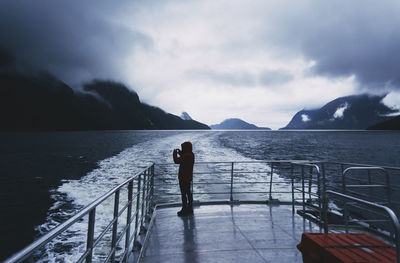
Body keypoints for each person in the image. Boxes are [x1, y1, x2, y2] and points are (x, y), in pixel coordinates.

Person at [173, 141, 195, 216]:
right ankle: (190, 208)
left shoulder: (185, 156)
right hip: (189, 177)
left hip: (183, 177)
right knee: (188, 192)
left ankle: (184, 209)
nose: (182, 149)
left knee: (183, 194)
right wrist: (181, 152)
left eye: (183, 148)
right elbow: (184, 156)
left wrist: (174, 153)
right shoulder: (191, 154)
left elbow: (176, 161)